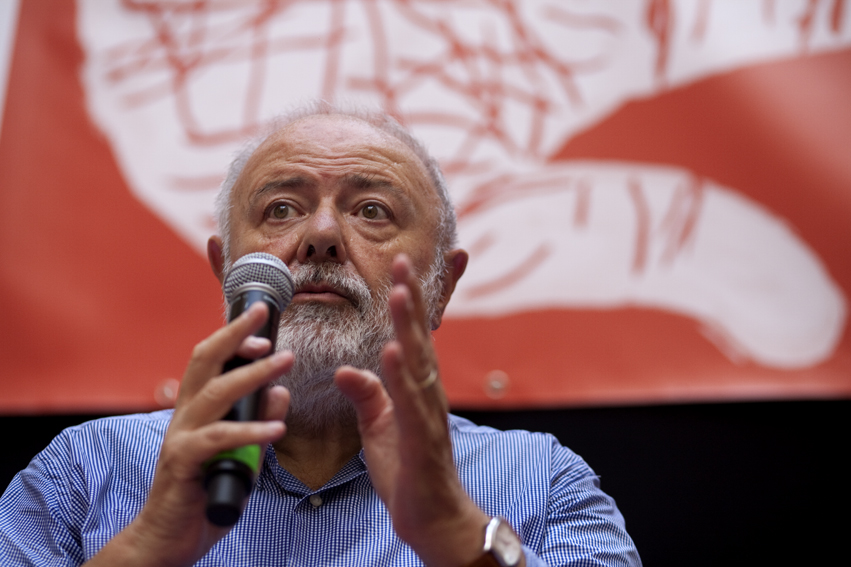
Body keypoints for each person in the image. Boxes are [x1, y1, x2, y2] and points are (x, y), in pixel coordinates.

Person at [0, 103, 641, 566]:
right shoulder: (83, 473)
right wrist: (145, 547)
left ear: (441, 286)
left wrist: (457, 534)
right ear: (226, 270)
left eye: (372, 211)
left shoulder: (541, 481)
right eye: (281, 209)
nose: (322, 236)